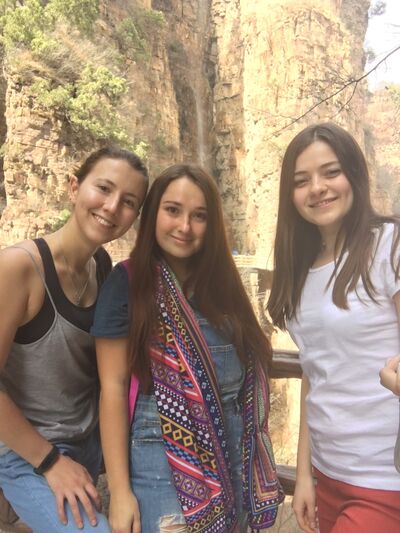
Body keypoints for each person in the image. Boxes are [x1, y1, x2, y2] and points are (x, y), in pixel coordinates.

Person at [92, 164, 284, 533]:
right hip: (161, 467)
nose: (185, 227)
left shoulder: (221, 288)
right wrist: (120, 492)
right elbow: (112, 389)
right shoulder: (127, 284)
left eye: (200, 216)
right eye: (173, 210)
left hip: (234, 464)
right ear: (153, 216)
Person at [0, 146, 149, 533]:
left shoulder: (102, 268)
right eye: (103, 188)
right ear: (73, 187)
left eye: (129, 202)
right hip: (30, 455)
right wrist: (51, 463)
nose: (113, 207)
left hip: (92, 444)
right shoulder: (19, 269)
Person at [267, 122, 400, 533]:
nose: (318, 188)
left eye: (331, 172)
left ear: (354, 175)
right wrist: (304, 474)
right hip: (329, 474)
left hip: (384, 477)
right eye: (302, 180)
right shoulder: (301, 269)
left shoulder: (388, 246)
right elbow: (315, 375)